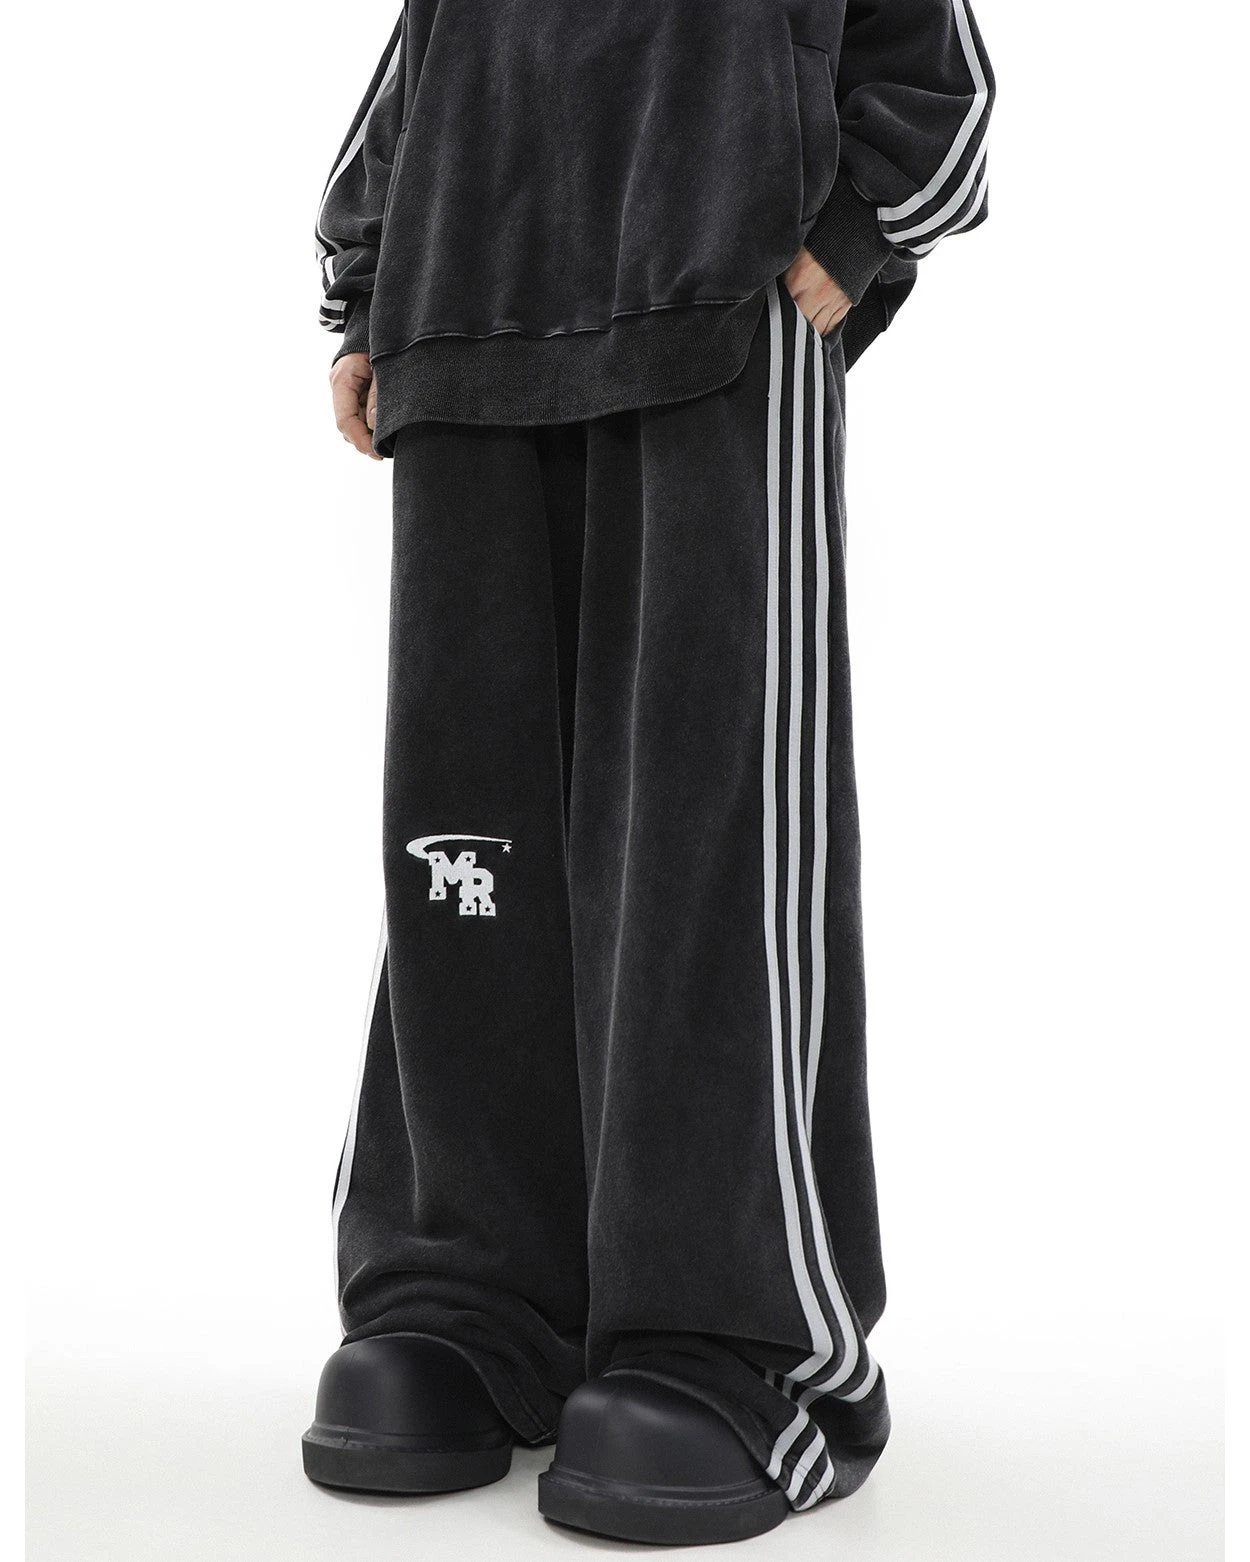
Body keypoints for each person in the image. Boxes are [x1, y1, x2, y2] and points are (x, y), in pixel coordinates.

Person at [303, 0, 993, 1545]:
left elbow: (934, 73)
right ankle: (471, 1298)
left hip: (713, 322)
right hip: (465, 320)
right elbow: (426, 52)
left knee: (698, 840)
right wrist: (367, 283)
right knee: (463, 861)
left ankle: (731, 1333)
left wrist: (847, 226)